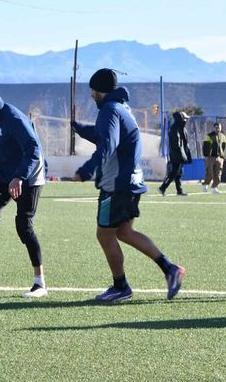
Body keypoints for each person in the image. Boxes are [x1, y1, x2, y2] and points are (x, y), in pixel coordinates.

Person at [75, 68, 184, 302]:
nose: (92, 95)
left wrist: (87, 168)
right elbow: (108, 135)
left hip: (116, 185)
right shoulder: (122, 108)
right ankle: (170, 269)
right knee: (124, 232)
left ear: (101, 90)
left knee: (105, 235)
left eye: (93, 90)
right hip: (131, 182)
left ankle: (120, 286)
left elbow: (108, 145)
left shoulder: (109, 110)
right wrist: (82, 129)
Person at [0, 84, 48, 298]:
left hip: (30, 176)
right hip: (4, 176)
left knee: (24, 226)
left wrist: (19, 177)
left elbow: (34, 150)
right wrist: (4, 176)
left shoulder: (14, 119)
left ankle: (39, 283)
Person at [158, 111, 192, 196]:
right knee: (174, 172)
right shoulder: (175, 128)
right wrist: (181, 154)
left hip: (179, 154)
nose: (186, 120)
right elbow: (176, 144)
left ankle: (179, 190)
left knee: (179, 173)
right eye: (185, 118)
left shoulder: (180, 128)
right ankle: (162, 187)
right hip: (177, 155)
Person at [201, 122, 226, 193]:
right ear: (213, 128)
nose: (218, 129)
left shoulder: (223, 136)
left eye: (219, 127)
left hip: (219, 158)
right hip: (210, 157)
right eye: (216, 127)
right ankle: (205, 185)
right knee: (210, 173)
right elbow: (205, 146)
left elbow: (223, 146)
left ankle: (214, 187)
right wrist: (207, 155)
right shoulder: (209, 136)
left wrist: (221, 156)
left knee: (218, 174)